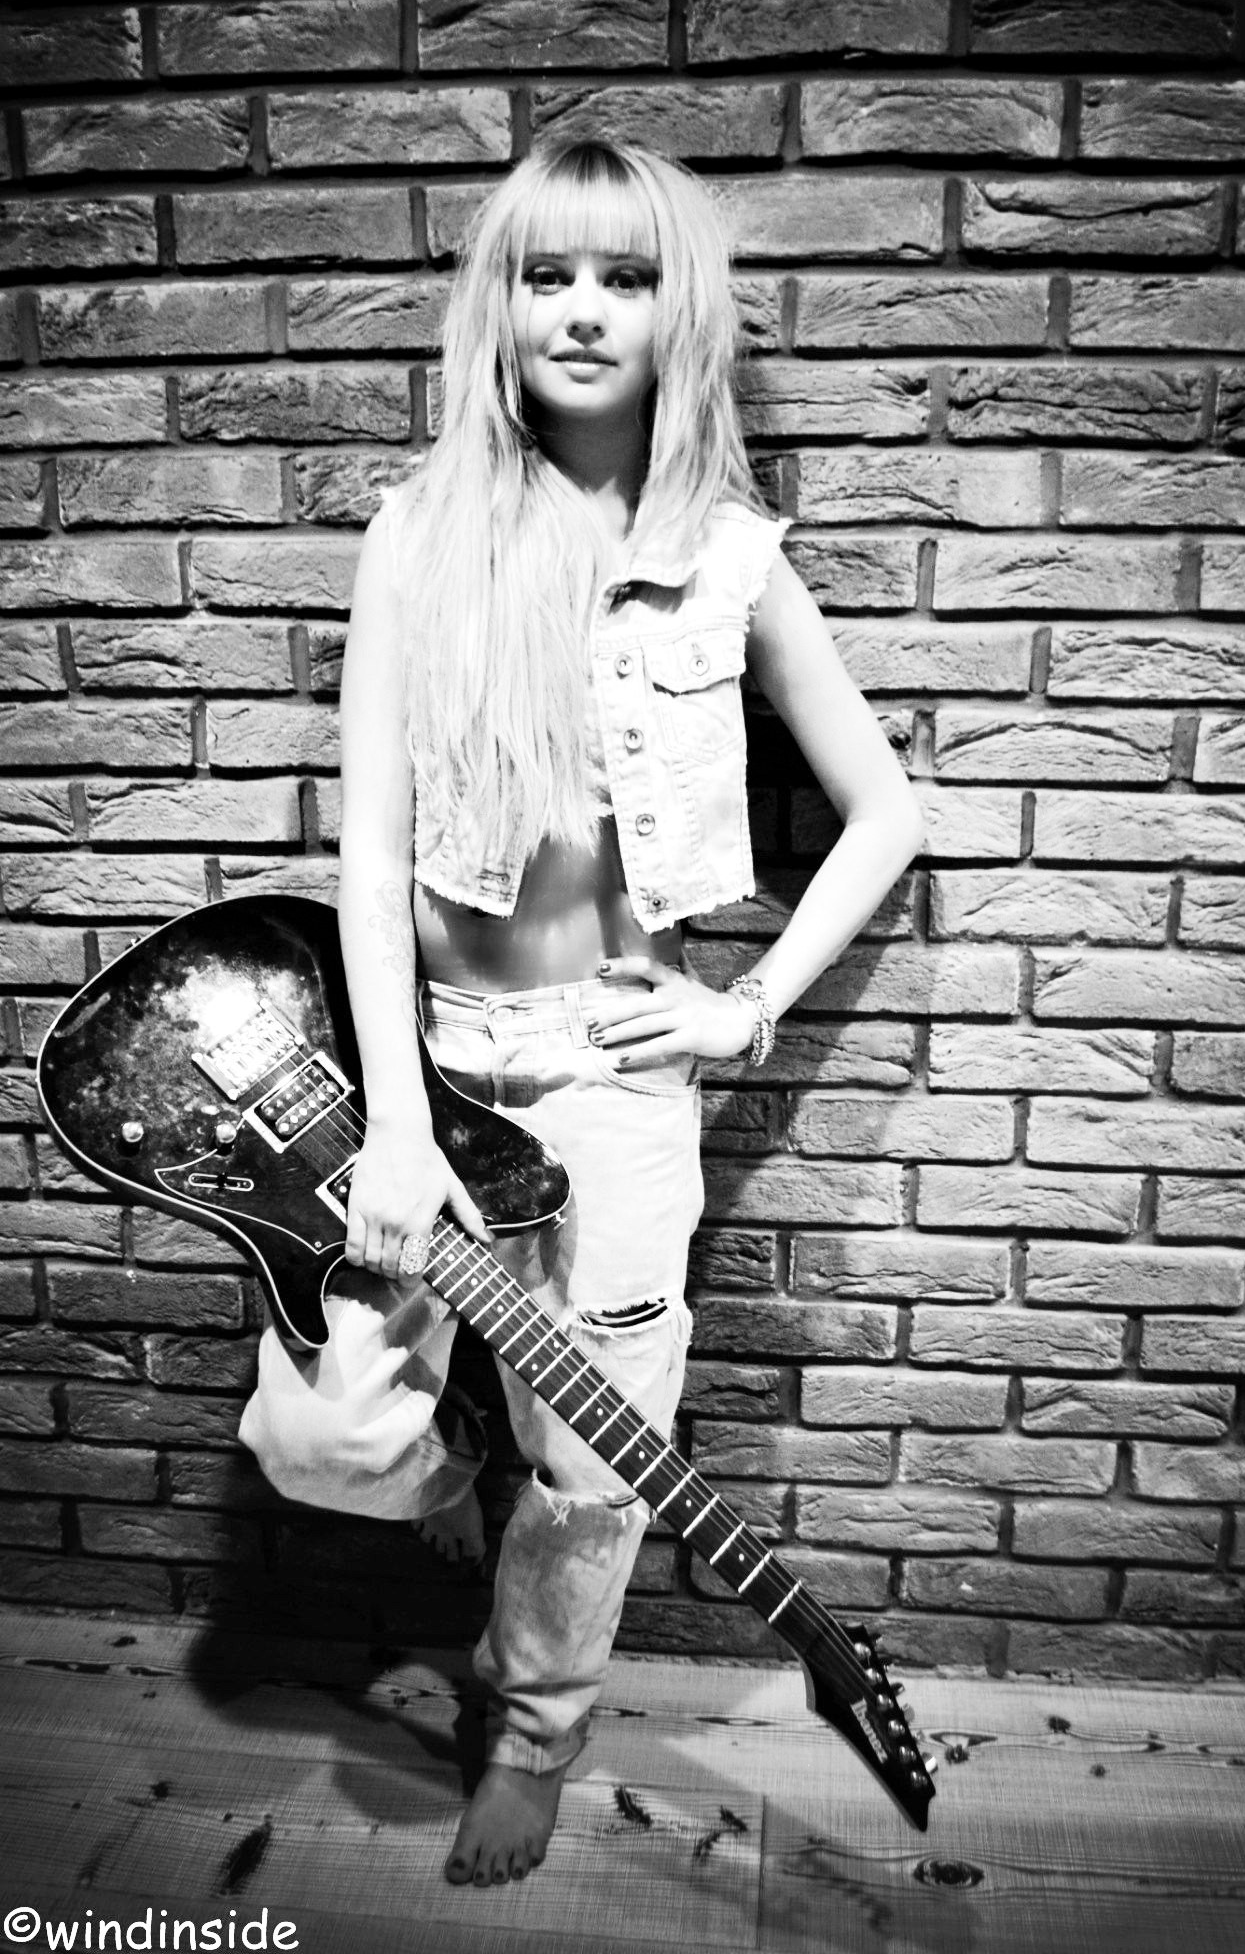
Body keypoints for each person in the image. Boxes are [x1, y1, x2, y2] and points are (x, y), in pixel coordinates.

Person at [242, 137, 923, 1890]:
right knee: (328, 1435)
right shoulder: (417, 537)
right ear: (501, 304)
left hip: (617, 1088)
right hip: (431, 1073)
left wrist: (745, 1012)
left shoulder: (733, 561)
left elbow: (886, 813)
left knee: (595, 1471)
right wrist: (399, 1123)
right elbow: (371, 857)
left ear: (679, 312)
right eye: (547, 274)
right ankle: (461, 1428)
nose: (584, 309)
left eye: (626, 276)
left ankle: (535, 1732)